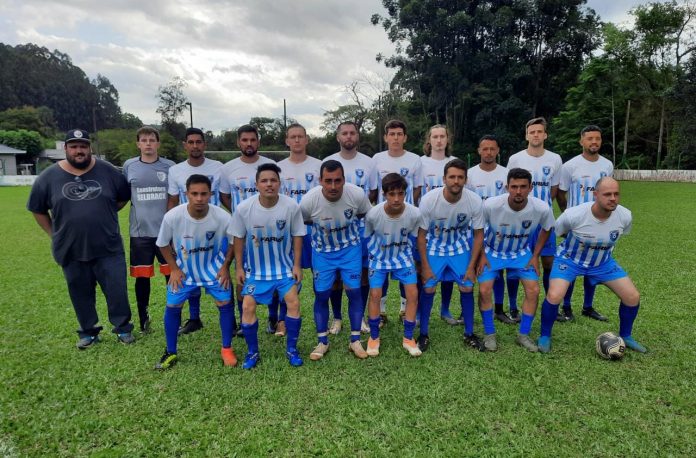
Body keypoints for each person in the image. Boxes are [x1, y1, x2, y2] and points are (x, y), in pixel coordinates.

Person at [27, 129, 135, 348]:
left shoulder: (108, 171)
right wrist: (54, 234)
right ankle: (88, 332)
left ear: (90, 148)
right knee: (80, 292)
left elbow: (123, 197)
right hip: (70, 247)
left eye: (83, 146)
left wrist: (105, 211)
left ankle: (123, 328)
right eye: (74, 146)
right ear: (66, 149)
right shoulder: (48, 177)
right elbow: (37, 209)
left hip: (108, 246)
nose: (79, 151)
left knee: (116, 291)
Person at [537, 177, 646, 354]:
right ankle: (545, 336)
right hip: (569, 260)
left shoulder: (625, 215)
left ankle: (626, 335)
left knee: (632, 296)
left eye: (616, 194)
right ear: (595, 194)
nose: (613, 198)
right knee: (554, 295)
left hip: (602, 263)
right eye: (607, 194)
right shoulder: (574, 214)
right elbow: (559, 231)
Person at [154, 174, 236, 369]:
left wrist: (225, 267)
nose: (199, 198)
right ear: (186, 194)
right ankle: (170, 352)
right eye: (194, 194)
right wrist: (174, 269)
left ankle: (227, 348)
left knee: (225, 303)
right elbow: (162, 244)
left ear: (211, 194)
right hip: (184, 271)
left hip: (214, 269)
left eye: (204, 194)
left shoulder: (222, 216)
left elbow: (234, 242)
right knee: (173, 306)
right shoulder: (173, 216)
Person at [230, 163, 306, 369]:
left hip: (284, 269)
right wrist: (239, 268)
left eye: (273, 180)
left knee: (293, 303)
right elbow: (238, 238)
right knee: (247, 306)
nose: (269, 184)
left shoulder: (291, 206)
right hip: (256, 272)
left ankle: (292, 349)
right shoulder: (244, 208)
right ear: (256, 184)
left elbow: (298, 235)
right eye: (264, 181)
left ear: (280, 183)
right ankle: (252, 352)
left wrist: (297, 265)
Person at [476, 168, 554, 352]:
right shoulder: (491, 205)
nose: (518, 191)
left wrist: (535, 255)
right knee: (485, 290)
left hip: (521, 253)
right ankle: (489, 334)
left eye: (523, 187)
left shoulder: (541, 208)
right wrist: (482, 255)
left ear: (530, 188)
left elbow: (547, 228)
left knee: (534, 290)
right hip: (492, 252)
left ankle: (523, 335)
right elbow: (478, 229)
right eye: (514, 187)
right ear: (507, 187)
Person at [300, 160, 372, 359]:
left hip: (350, 250)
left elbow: (366, 214)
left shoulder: (356, 194)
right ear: (320, 180)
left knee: (354, 293)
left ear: (344, 180)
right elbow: (304, 220)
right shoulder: (309, 200)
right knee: (322, 295)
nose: (333, 186)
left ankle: (355, 340)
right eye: (328, 181)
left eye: (337, 181)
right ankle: (322, 342)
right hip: (323, 253)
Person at [417, 158, 485, 352]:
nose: (456, 181)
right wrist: (425, 266)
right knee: (428, 288)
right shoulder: (429, 199)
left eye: (460, 177)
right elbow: (421, 236)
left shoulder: (474, 200)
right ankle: (423, 334)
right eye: (452, 177)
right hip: (434, 247)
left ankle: (469, 334)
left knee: (467, 286)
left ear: (466, 179)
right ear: (444, 179)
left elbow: (479, 235)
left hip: (459, 247)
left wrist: (471, 267)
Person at [219, 124, 276, 335]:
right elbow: (225, 196)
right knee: (240, 274)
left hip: (269, 230)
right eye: (245, 140)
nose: (249, 144)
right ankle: (244, 321)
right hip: (241, 232)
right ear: (238, 142)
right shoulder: (228, 168)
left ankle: (273, 318)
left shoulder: (269, 164)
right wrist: (240, 215)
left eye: (253, 139)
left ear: (258, 141)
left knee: (273, 272)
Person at [167, 127, 223, 335]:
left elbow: (224, 194)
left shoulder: (218, 167)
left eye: (199, 142)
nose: (195, 146)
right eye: (191, 142)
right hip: (186, 231)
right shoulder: (175, 170)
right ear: (185, 145)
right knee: (190, 272)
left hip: (214, 231)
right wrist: (170, 232)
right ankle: (194, 318)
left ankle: (232, 321)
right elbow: (173, 200)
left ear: (204, 144)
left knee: (222, 274)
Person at [324, 121, 378, 334]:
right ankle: (337, 318)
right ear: (338, 137)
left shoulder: (369, 163)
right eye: (344, 133)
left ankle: (360, 316)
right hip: (334, 230)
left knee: (363, 274)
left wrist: (356, 211)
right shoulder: (329, 161)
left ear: (357, 136)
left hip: (361, 229)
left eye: (352, 133)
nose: (348, 136)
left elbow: (372, 193)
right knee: (336, 277)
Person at [555, 125, 614, 322]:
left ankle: (588, 307)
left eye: (597, 138)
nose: (594, 142)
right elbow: (561, 194)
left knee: (594, 264)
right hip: (577, 225)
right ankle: (566, 306)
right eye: (589, 138)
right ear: (581, 141)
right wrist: (569, 217)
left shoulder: (607, 165)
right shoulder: (570, 166)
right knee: (572, 265)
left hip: (600, 223)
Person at [122, 126, 175, 332]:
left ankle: (175, 316)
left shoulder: (170, 166)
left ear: (158, 143)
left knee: (172, 275)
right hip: (140, 234)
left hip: (166, 233)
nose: (148, 144)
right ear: (138, 144)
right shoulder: (129, 166)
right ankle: (143, 318)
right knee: (142, 278)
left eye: (152, 140)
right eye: (144, 140)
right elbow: (123, 195)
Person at [364, 173, 423, 357]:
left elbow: (414, 236)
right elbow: (368, 236)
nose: (396, 198)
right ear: (384, 194)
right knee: (375, 295)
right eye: (392, 194)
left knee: (413, 294)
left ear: (405, 193)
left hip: (403, 258)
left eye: (400, 193)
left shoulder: (415, 213)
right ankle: (374, 337)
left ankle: (408, 338)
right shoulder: (373, 214)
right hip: (379, 258)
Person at [373, 120, 424, 322]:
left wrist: (407, 208)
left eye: (399, 134)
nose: (395, 137)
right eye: (392, 134)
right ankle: (381, 311)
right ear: (385, 137)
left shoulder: (415, 159)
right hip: (382, 223)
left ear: (405, 137)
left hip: (406, 223)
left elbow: (417, 189)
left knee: (406, 264)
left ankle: (404, 310)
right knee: (381, 266)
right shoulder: (377, 159)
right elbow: (374, 189)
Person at [507, 117, 562, 298]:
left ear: (545, 135)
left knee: (548, 262)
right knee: (516, 262)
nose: (536, 135)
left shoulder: (555, 159)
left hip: (544, 220)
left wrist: (540, 209)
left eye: (539, 131)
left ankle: (549, 300)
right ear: (526, 136)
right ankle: (513, 306)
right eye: (532, 132)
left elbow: (554, 189)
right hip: (519, 220)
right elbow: (510, 189)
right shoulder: (515, 159)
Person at [276, 123, 321, 334]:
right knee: (288, 274)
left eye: (300, 136)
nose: (296, 140)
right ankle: (282, 319)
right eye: (292, 137)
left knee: (320, 275)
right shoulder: (279, 167)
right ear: (287, 141)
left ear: (306, 139)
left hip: (314, 229)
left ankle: (323, 317)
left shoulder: (319, 165)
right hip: (288, 231)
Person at [467, 135, 517, 324]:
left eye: (492, 149)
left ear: (498, 151)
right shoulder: (470, 174)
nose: (488, 152)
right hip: (475, 229)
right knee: (471, 268)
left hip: (499, 230)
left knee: (499, 270)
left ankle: (499, 309)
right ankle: (467, 310)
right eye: (485, 149)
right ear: (479, 151)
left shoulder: (506, 173)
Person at [419, 124, 459, 326]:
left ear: (447, 139)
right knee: (424, 268)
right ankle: (420, 312)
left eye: (442, 136)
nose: (439, 140)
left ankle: (445, 309)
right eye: (435, 136)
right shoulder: (420, 163)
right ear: (429, 140)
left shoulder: (454, 162)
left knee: (448, 272)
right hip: (428, 224)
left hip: (450, 224)